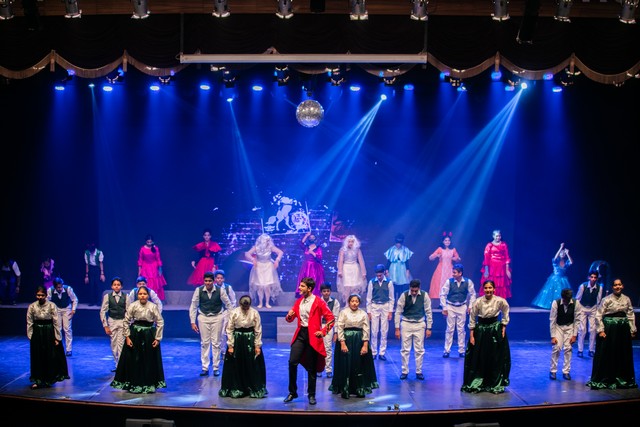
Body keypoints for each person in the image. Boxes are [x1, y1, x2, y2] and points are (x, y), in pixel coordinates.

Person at [283, 277, 336, 405]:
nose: (299, 288)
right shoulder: (299, 302)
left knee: (311, 367)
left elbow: (331, 318)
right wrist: (289, 315)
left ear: (309, 288)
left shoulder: (318, 302)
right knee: (292, 362)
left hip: (313, 336)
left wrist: (323, 331)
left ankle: (311, 395)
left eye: (302, 286)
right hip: (301, 334)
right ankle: (292, 392)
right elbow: (290, 318)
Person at [111, 285, 166, 394]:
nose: (142, 296)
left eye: (144, 294)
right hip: (135, 334)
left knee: (148, 359)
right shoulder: (133, 305)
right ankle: (133, 383)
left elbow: (160, 322)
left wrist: (157, 338)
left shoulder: (153, 306)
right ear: (137, 295)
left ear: (148, 295)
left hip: (149, 335)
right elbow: (126, 321)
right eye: (140, 294)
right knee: (134, 359)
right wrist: (127, 337)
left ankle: (148, 384)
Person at [586, 277, 637, 390]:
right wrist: (601, 330)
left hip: (622, 329)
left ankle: (622, 379)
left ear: (622, 286)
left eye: (619, 284)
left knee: (622, 353)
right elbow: (598, 315)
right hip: (610, 329)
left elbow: (630, 314)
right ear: (612, 287)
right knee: (608, 353)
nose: (618, 287)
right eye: (615, 285)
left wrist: (632, 329)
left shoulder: (627, 299)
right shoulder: (606, 299)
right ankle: (606, 378)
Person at [461, 280, 511, 394]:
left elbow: (506, 310)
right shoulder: (478, 302)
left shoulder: (500, 301)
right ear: (483, 289)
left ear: (494, 289)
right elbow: (472, 318)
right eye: (486, 288)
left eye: (490, 288)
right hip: (481, 330)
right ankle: (479, 381)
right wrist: (472, 335)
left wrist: (503, 326)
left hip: (494, 329)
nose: (488, 290)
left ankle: (494, 382)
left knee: (495, 356)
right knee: (480, 356)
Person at [329, 293, 378, 398]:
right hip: (346, 340)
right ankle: (345, 388)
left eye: (357, 301)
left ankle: (359, 388)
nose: (354, 303)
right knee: (345, 364)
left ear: (359, 302)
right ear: (349, 302)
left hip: (358, 341)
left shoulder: (363, 314)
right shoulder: (343, 312)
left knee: (358, 364)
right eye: (352, 301)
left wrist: (365, 345)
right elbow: (340, 327)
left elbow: (366, 329)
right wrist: (342, 343)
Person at [219, 295, 268, 398]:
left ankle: (251, 387)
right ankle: (237, 387)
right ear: (240, 304)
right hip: (237, 339)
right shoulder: (234, 312)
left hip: (249, 339)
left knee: (251, 364)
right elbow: (229, 329)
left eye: (247, 307)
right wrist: (230, 345)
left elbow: (258, 329)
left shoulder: (254, 313)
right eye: (243, 307)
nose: (245, 309)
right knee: (236, 363)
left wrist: (257, 346)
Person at [190, 271, 234, 377]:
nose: (208, 283)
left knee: (216, 343)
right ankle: (205, 368)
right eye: (206, 281)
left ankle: (215, 367)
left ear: (213, 281)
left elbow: (229, 304)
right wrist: (192, 321)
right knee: (204, 343)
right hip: (203, 317)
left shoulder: (220, 290)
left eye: (210, 281)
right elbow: (193, 306)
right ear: (203, 281)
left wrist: (229, 319)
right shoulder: (199, 290)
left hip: (217, 317)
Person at [27, 285, 70, 389]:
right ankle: (38, 379)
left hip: (48, 331)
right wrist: (31, 336)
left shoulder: (51, 305)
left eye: (42, 295)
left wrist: (57, 337)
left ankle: (49, 379)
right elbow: (29, 322)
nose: (40, 297)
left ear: (46, 295)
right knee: (37, 356)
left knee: (49, 356)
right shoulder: (32, 306)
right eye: (38, 295)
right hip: (37, 331)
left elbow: (56, 322)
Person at [394, 279, 433, 380]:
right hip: (406, 323)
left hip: (419, 324)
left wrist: (429, 328)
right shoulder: (404, 295)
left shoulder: (424, 295)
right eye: (412, 290)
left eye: (416, 291)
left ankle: (419, 371)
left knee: (419, 349)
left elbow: (429, 312)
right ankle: (404, 371)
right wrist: (397, 328)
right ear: (410, 288)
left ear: (419, 288)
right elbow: (398, 312)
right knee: (405, 349)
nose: (414, 293)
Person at [439, 263, 476, 358]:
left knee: (461, 329)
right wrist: (444, 307)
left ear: (460, 273)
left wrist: (470, 306)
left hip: (462, 306)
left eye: (455, 272)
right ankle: (446, 350)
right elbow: (442, 294)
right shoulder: (449, 282)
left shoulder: (468, 282)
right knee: (450, 329)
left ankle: (461, 350)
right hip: (451, 306)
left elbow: (473, 294)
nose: (453, 274)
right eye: (453, 272)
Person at [549, 287, 583, 381]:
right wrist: (553, 336)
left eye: (567, 300)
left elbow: (577, 320)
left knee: (568, 348)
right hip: (558, 326)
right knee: (556, 347)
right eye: (564, 300)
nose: (565, 302)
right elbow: (552, 320)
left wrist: (574, 335)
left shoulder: (576, 303)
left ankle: (566, 371)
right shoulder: (556, 303)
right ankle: (553, 370)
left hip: (569, 326)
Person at [245, 233, 283, 309]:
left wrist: (277, 260)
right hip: (259, 266)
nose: (267, 242)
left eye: (268, 240)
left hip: (268, 266)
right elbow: (247, 254)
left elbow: (280, 252)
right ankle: (260, 303)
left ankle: (267, 303)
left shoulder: (270, 247)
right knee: (260, 286)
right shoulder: (256, 247)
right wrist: (252, 259)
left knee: (267, 286)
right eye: (265, 240)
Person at [365, 263, 394, 361]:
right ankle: (373, 352)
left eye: (380, 275)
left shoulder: (389, 282)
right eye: (377, 275)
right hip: (375, 306)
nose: (378, 277)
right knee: (374, 330)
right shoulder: (372, 282)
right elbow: (369, 297)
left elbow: (391, 298)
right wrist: (369, 311)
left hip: (385, 305)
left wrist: (390, 311)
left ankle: (382, 352)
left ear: (384, 273)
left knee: (384, 330)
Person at [532, 243, 573, 309]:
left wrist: (568, 253)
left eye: (564, 254)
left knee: (563, 293)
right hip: (555, 278)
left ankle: (562, 305)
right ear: (559, 254)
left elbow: (571, 262)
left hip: (563, 279)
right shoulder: (556, 261)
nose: (563, 254)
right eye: (561, 253)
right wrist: (560, 248)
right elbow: (555, 257)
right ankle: (554, 306)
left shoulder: (566, 262)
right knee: (553, 292)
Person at [99, 276, 128, 372]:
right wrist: (105, 326)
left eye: (118, 285)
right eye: (114, 285)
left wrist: (127, 323)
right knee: (113, 344)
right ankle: (116, 363)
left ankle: (121, 365)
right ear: (112, 286)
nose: (116, 286)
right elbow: (103, 311)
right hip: (112, 321)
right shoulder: (107, 297)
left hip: (122, 321)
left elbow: (128, 311)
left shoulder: (126, 296)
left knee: (121, 343)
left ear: (121, 286)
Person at [47, 277, 79, 357]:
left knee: (67, 329)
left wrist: (73, 310)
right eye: (58, 287)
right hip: (56, 309)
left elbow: (75, 299)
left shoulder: (68, 289)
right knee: (57, 329)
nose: (60, 288)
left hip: (66, 309)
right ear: (55, 287)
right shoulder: (50, 290)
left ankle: (69, 349)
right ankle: (58, 348)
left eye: (61, 286)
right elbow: (47, 302)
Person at [575, 271, 603, 358]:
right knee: (582, 329)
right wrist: (577, 311)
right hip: (582, 308)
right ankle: (580, 350)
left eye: (595, 277)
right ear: (589, 277)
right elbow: (578, 299)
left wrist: (598, 312)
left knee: (593, 329)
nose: (593, 279)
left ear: (597, 278)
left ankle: (591, 350)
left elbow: (598, 301)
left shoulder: (599, 288)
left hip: (593, 308)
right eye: (592, 277)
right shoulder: (583, 286)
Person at [428, 232, 461, 301]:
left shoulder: (453, 250)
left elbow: (458, 259)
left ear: (450, 242)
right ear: (443, 242)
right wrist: (436, 255)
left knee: (450, 284)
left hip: (450, 270)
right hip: (441, 270)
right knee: (440, 284)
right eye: (445, 240)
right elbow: (430, 258)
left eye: (448, 240)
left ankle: (449, 300)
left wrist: (455, 259)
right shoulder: (440, 249)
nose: (447, 242)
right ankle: (441, 301)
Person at [336, 234, 367, 305]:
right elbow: (340, 261)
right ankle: (347, 303)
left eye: (352, 241)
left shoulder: (357, 250)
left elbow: (361, 261)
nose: (350, 243)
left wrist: (363, 272)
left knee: (355, 286)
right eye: (349, 241)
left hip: (355, 269)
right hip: (346, 269)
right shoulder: (343, 250)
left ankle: (354, 302)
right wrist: (340, 271)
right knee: (347, 286)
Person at [481, 229, 512, 299]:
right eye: (497, 236)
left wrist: (507, 270)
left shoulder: (503, 245)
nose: (498, 237)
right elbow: (486, 258)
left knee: (501, 284)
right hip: (492, 268)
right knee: (492, 283)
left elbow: (507, 257)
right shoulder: (489, 245)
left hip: (501, 268)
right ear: (493, 236)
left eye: (499, 236)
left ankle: (500, 301)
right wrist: (486, 270)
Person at [214, 269, 237, 360]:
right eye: (218, 278)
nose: (219, 280)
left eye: (221, 278)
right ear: (215, 279)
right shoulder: (213, 288)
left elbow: (233, 301)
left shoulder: (228, 288)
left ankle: (224, 352)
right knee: (216, 333)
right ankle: (217, 351)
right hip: (216, 313)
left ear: (223, 279)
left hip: (226, 312)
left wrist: (231, 312)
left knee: (224, 333)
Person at [319, 282, 340, 378]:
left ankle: (328, 370)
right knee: (318, 348)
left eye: (328, 291)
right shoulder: (318, 301)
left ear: (330, 291)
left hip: (329, 326)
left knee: (328, 348)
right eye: (324, 291)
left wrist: (336, 332)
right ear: (321, 292)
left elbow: (336, 318)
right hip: (319, 326)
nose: (326, 293)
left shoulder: (335, 302)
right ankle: (319, 369)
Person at [137, 234, 167, 301]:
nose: (149, 243)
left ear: (152, 241)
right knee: (146, 282)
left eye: (150, 242)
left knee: (155, 283)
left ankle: (155, 299)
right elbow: (140, 260)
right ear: (146, 241)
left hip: (154, 267)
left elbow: (158, 258)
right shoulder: (142, 249)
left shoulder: (155, 248)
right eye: (148, 242)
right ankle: (145, 298)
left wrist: (160, 269)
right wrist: (139, 270)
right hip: (145, 268)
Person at [384, 233, 414, 298]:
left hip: (402, 268)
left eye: (400, 243)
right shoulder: (392, 249)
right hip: (393, 268)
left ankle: (400, 299)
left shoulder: (405, 250)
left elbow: (406, 261)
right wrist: (386, 269)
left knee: (401, 284)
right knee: (393, 284)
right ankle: (393, 299)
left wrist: (407, 270)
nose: (398, 245)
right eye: (397, 243)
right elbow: (389, 260)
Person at [296, 231, 325, 298]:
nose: (311, 238)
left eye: (313, 237)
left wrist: (312, 253)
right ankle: (305, 295)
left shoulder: (318, 248)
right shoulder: (306, 247)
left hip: (314, 267)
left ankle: (313, 296)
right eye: (310, 237)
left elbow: (319, 257)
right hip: (306, 267)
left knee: (314, 280)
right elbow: (301, 243)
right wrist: (306, 235)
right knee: (305, 280)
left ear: (315, 239)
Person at [84, 242, 106, 306]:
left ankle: (99, 301)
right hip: (91, 269)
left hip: (97, 269)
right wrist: (86, 275)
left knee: (98, 286)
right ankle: (92, 301)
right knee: (91, 286)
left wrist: (102, 273)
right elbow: (87, 264)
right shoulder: (87, 253)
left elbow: (101, 263)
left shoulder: (99, 252)